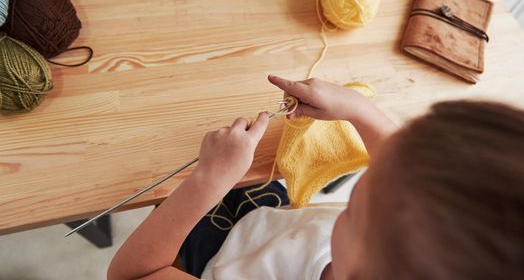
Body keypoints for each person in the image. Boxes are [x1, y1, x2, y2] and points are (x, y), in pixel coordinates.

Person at [108, 75, 524, 280]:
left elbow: (133, 274)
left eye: (355, 208)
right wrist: (359, 109)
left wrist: (208, 181)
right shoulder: (412, 245)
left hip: (214, 256)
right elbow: (411, 171)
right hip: (271, 225)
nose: (371, 171)